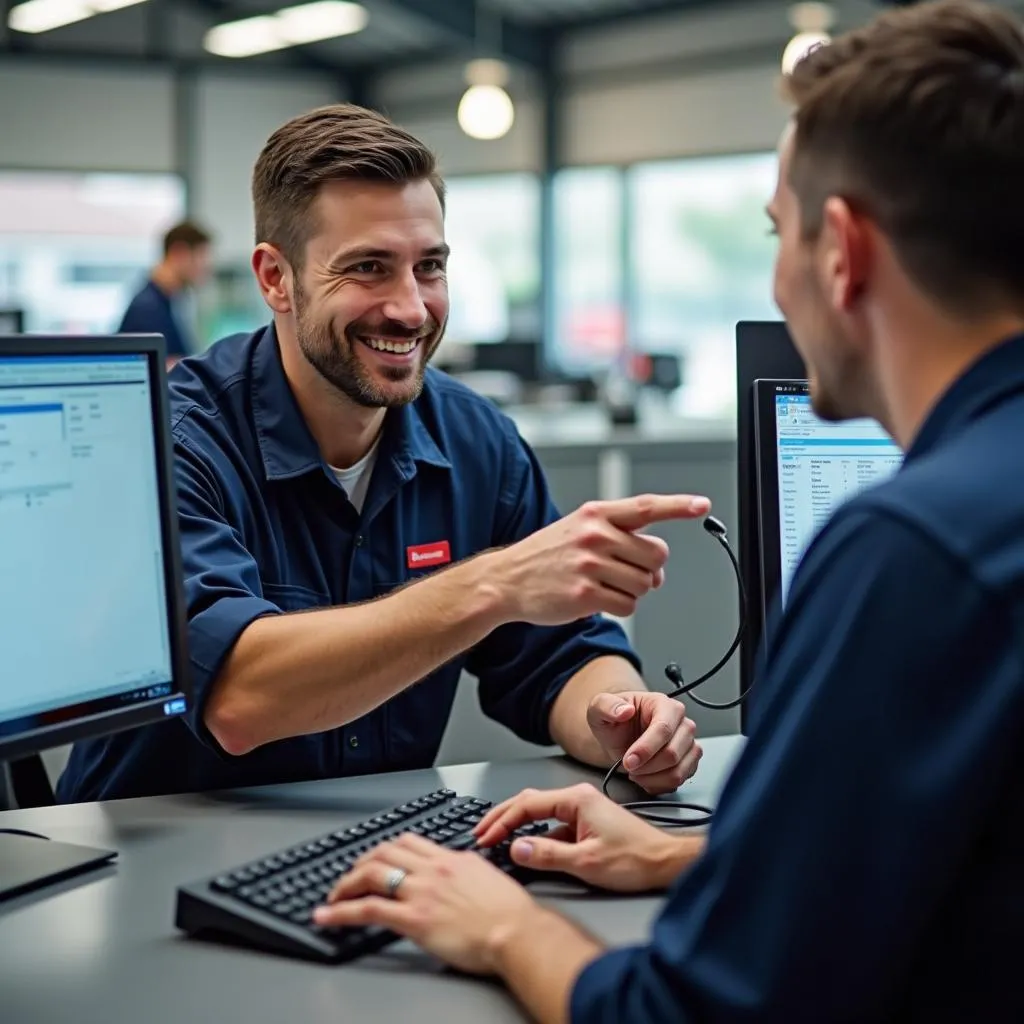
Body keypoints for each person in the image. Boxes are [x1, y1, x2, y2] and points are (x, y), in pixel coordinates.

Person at [310, 2, 1024, 1021]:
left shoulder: (912, 551)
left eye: (778, 236)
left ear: (843, 253)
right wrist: (693, 856)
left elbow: (680, 1011)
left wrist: (502, 923)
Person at [56, 106, 705, 802]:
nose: (411, 309)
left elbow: (559, 654)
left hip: (370, 860)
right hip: (142, 870)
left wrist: (618, 717)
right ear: (275, 279)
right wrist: (492, 586)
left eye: (429, 267)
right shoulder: (171, 442)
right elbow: (241, 698)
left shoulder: (474, 440)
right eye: (368, 268)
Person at [118, 220, 213, 365]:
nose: (206, 266)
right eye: (202, 256)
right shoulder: (147, 308)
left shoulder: (169, 301)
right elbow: (163, 368)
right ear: (179, 253)